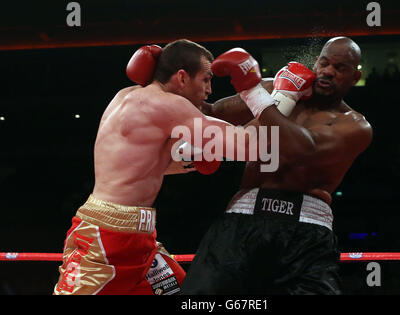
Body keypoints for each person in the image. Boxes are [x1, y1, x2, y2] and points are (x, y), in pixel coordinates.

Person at [53, 39, 253, 295]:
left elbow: (138, 164)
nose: (209, 89)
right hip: (106, 240)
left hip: (139, 239)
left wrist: (185, 159)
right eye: (205, 79)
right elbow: (248, 147)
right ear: (182, 77)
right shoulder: (168, 105)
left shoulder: (125, 96)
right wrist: (267, 93)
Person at [180, 37, 373, 295]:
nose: (328, 71)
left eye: (340, 68)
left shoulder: (355, 126)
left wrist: (254, 91)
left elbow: (303, 149)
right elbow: (212, 111)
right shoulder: (278, 91)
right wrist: (167, 81)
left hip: (307, 232)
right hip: (244, 220)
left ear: (355, 76)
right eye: (324, 63)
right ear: (316, 62)